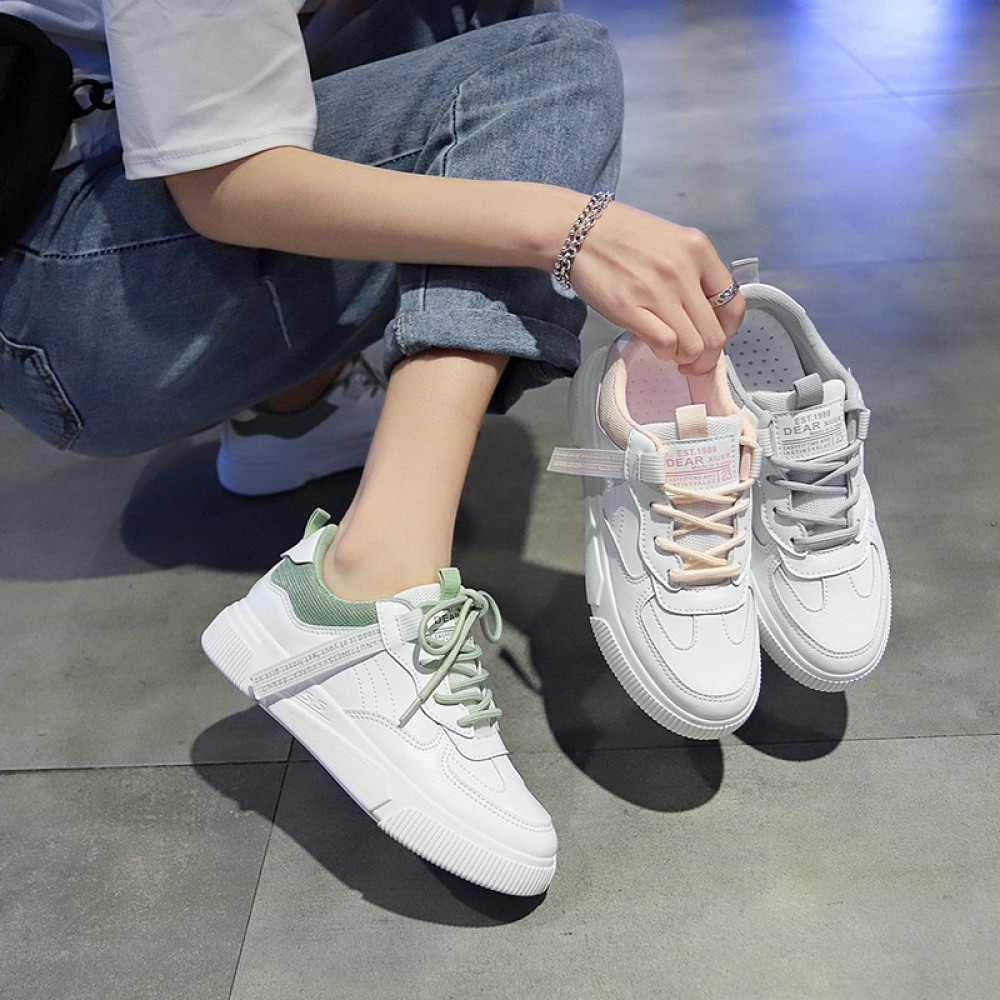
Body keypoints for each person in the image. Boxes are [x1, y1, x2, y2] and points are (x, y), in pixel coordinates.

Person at [0, 0, 746, 896]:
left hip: (101, 242)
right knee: (547, 72)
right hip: (63, 299)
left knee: (474, 18)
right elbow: (222, 183)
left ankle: (295, 406)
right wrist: (565, 224)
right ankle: (365, 579)